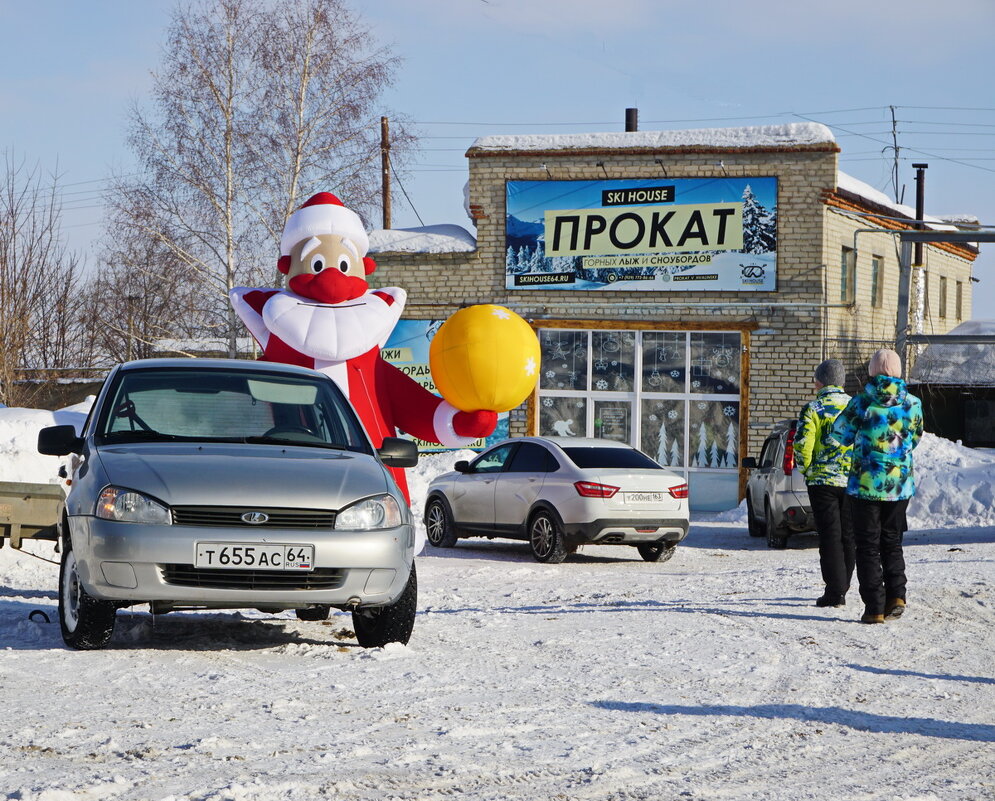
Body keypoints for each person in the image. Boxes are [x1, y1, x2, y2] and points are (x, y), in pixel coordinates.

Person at [831, 348, 924, 624]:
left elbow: (840, 435)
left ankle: (874, 607)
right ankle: (897, 595)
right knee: (892, 541)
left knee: (867, 545)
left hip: (865, 486)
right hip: (898, 487)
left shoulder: (861, 403)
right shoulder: (913, 405)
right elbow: (915, 438)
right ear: (898, 372)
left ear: (871, 372)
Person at [794, 359, 854, 608]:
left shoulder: (813, 408)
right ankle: (845, 585)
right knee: (849, 536)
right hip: (852, 481)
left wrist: (807, 470)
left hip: (822, 482)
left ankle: (835, 591)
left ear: (820, 381)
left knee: (830, 536)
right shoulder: (855, 406)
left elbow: (802, 444)